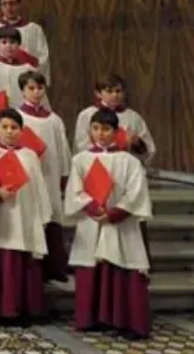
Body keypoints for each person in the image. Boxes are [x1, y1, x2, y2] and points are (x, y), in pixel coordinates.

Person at [64, 108, 153, 338]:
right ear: (90, 130)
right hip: (92, 221)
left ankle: (126, 321)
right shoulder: (81, 160)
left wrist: (114, 213)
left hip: (120, 224)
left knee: (123, 264)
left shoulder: (130, 161)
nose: (100, 134)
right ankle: (91, 318)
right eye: (95, 128)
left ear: (116, 132)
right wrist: (93, 207)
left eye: (106, 129)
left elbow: (136, 193)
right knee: (91, 265)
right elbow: (75, 191)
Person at [0, 109, 52, 322]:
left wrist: (44, 215)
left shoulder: (29, 155)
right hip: (1, 217)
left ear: (22, 130)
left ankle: (27, 309)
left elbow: (39, 186)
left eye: (14, 128)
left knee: (27, 265)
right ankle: (3, 311)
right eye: (5, 127)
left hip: (26, 216)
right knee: (3, 265)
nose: (9, 132)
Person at [16, 71, 71, 282]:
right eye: (31, 88)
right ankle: (33, 269)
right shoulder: (17, 117)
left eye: (40, 88)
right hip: (28, 176)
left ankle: (55, 267)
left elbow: (62, 149)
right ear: (22, 90)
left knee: (53, 217)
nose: (36, 92)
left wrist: (64, 174)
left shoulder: (54, 119)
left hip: (50, 174)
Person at [73, 74, 155, 163]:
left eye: (118, 91)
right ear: (98, 93)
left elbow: (149, 150)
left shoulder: (134, 117)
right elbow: (81, 146)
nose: (115, 95)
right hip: (96, 167)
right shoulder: (87, 115)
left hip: (125, 167)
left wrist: (137, 144)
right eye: (109, 91)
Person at [0, 27, 46, 116]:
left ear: (19, 45)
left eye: (12, 42)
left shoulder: (28, 70)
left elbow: (39, 97)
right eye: (4, 42)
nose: (8, 46)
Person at [0, 0, 51, 81]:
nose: (8, 7)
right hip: (1, 79)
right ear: (0, 7)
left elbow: (43, 58)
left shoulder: (34, 29)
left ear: (19, 5)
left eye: (12, 3)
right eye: (4, 4)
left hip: (27, 80)